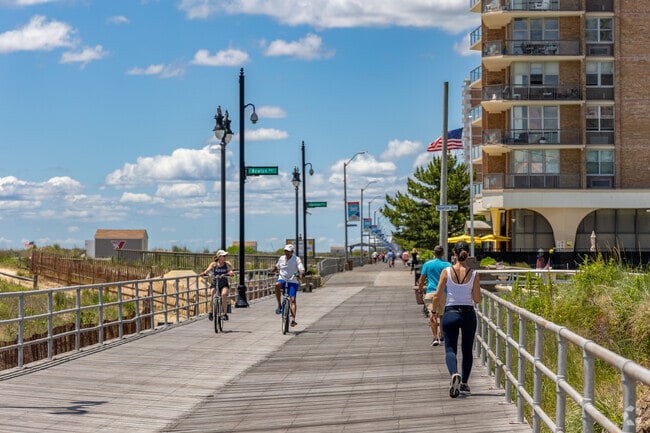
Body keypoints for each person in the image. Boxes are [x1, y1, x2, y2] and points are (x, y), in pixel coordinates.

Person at [432, 241, 481, 398]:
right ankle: (465, 383)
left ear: (454, 253)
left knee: (450, 348)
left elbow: (437, 295)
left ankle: (454, 374)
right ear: (467, 253)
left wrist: (433, 312)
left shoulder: (446, 271)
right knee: (467, 350)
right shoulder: (474, 274)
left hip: (450, 313)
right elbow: (477, 299)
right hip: (468, 314)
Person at [418, 245, 451, 346]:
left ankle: (435, 337)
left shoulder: (427, 264)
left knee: (433, 315)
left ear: (434, 253)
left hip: (431, 292)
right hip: (443, 292)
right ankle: (442, 335)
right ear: (443, 254)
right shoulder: (448, 265)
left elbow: (421, 281)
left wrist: (420, 291)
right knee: (442, 315)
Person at [271, 244, 305, 327]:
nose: (286, 253)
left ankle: (293, 319)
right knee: (277, 284)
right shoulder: (281, 258)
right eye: (285, 251)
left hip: (292, 280)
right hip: (282, 278)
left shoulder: (296, 259)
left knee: (292, 300)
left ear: (292, 252)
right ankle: (279, 305)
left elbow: (301, 268)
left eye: (288, 251)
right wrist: (273, 271)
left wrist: (301, 274)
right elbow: (277, 266)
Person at [200, 249, 234, 321]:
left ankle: (224, 313)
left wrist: (230, 273)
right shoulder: (214, 264)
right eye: (223, 256)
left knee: (224, 294)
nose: (225, 257)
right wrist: (204, 273)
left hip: (224, 283)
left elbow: (230, 270)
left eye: (225, 256)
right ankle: (210, 312)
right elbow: (207, 270)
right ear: (219, 257)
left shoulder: (227, 264)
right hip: (215, 283)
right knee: (212, 294)